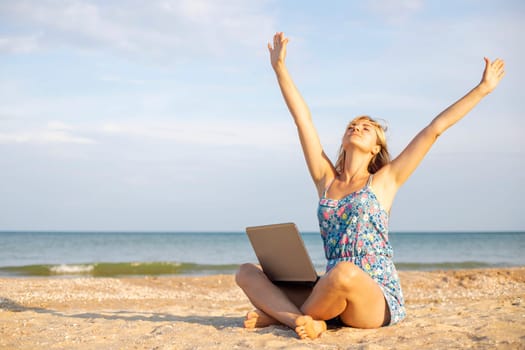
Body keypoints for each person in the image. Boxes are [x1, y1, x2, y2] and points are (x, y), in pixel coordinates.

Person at [235, 32, 505, 340]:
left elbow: (434, 130)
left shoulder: (385, 181)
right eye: (352, 125)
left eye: (366, 128)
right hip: (329, 292)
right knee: (246, 272)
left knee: (344, 273)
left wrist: (482, 89)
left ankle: (280, 316)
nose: (356, 128)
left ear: (376, 148)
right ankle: (301, 320)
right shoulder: (326, 180)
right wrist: (280, 68)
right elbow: (303, 121)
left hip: (374, 298)